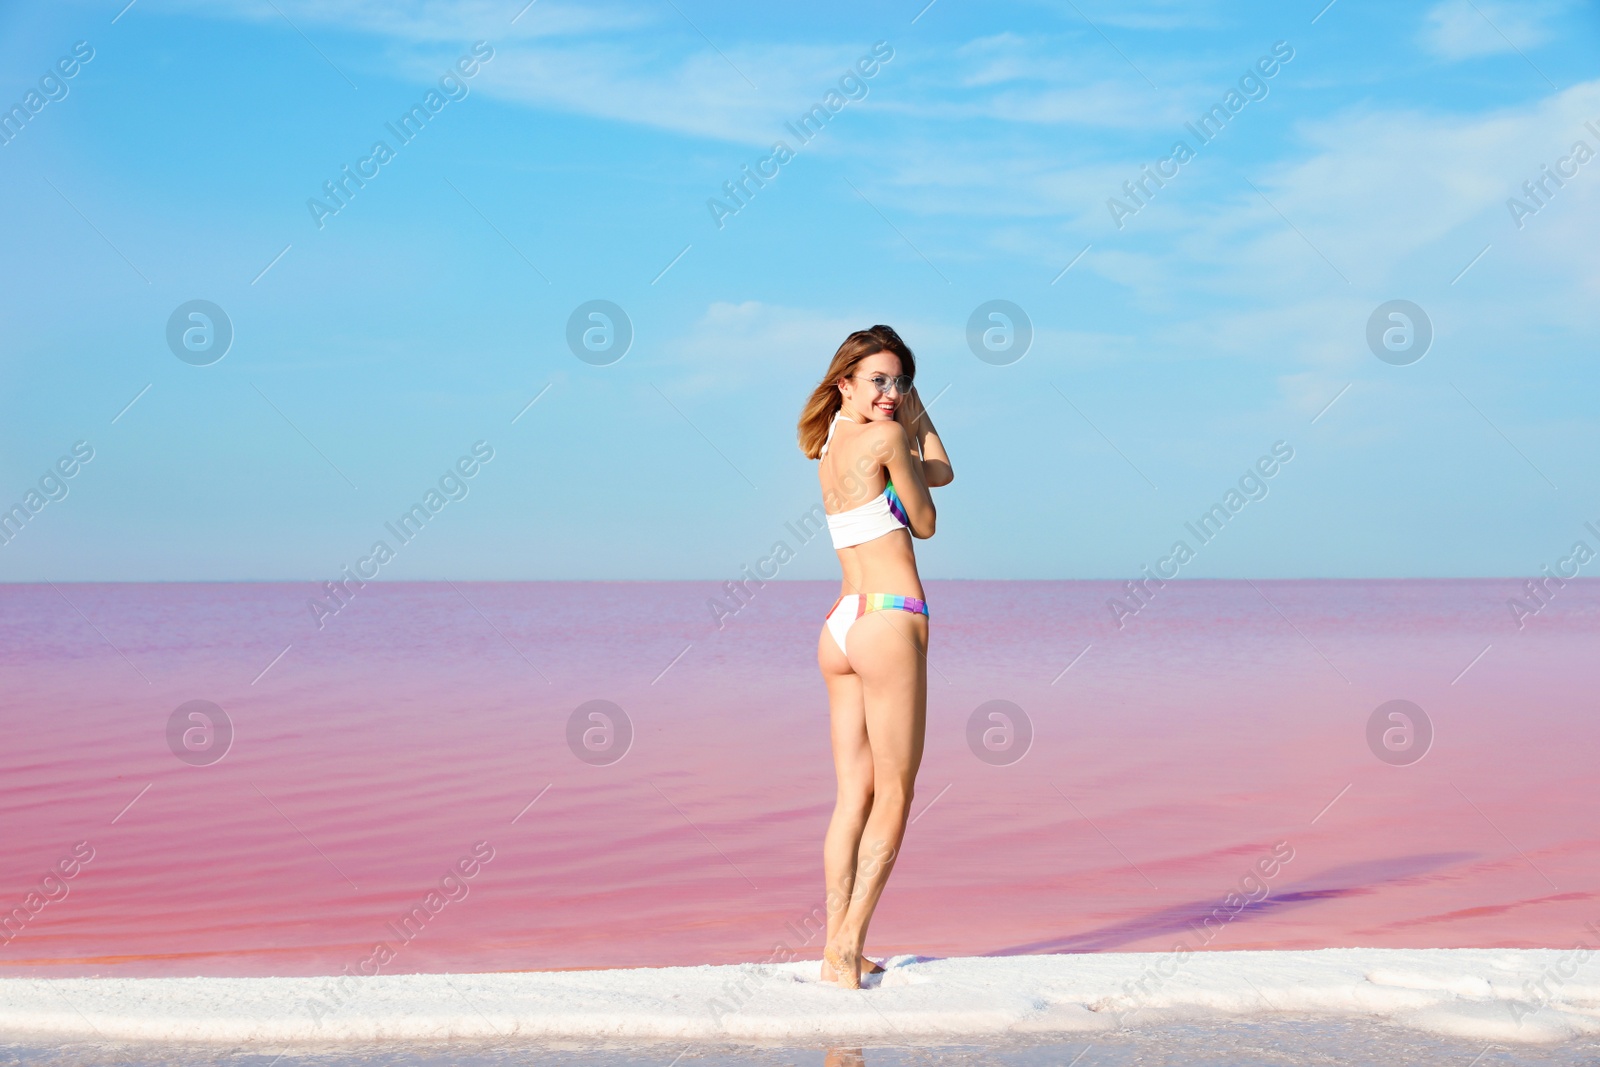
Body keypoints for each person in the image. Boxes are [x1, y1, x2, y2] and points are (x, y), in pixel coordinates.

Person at [796, 325, 952, 988]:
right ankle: (846, 950)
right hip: (889, 618)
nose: (890, 393)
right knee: (894, 790)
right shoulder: (888, 438)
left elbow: (933, 473)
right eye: (878, 381)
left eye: (900, 382)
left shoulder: (830, 441)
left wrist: (904, 405)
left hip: (840, 627)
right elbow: (926, 517)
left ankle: (838, 944)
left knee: (851, 794)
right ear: (845, 384)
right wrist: (913, 417)